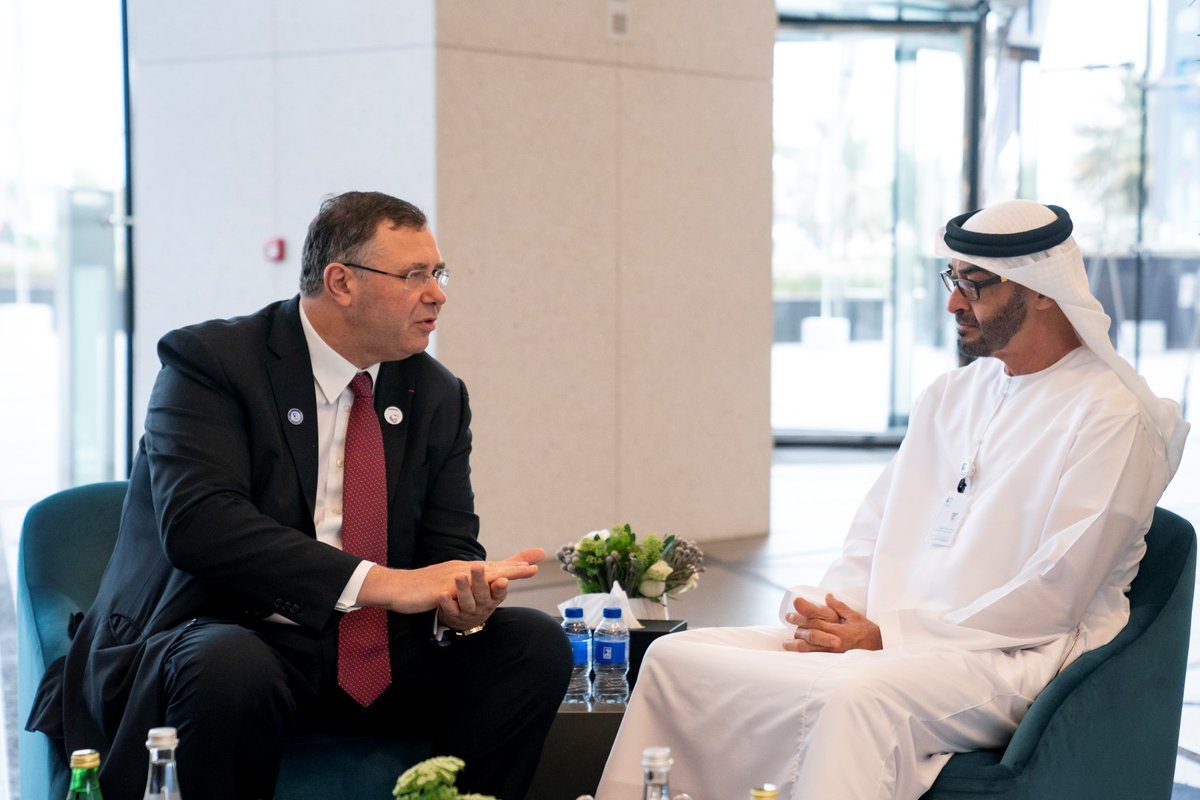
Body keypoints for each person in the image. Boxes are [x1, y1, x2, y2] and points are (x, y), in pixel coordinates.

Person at [595, 199, 1189, 800]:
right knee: (676, 661)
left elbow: (1056, 592)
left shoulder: (1112, 414)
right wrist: (832, 615)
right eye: (953, 280)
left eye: (975, 285)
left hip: (1010, 657)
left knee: (852, 696)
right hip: (885, 637)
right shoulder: (950, 394)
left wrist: (889, 637)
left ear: (1040, 289)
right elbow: (873, 531)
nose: (954, 303)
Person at [28, 191, 572, 799]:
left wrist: (462, 603)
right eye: (414, 275)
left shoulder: (436, 394)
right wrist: (385, 583)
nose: (436, 294)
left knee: (532, 645)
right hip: (232, 630)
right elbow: (201, 526)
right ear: (341, 282)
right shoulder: (211, 363)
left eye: (437, 273)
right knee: (230, 664)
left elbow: (448, 546)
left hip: (374, 650)